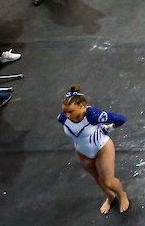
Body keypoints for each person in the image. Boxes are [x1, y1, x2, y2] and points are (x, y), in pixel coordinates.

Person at [60, 85, 129, 214]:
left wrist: (107, 129)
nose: (67, 115)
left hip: (102, 148)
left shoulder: (92, 114)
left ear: (81, 106)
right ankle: (110, 197)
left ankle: (122, 194)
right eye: (65, 112)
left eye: (71, 111)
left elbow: (120, 119)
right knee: (96, 177)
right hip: (82, 152)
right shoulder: (62, 118)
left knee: (109, 182)